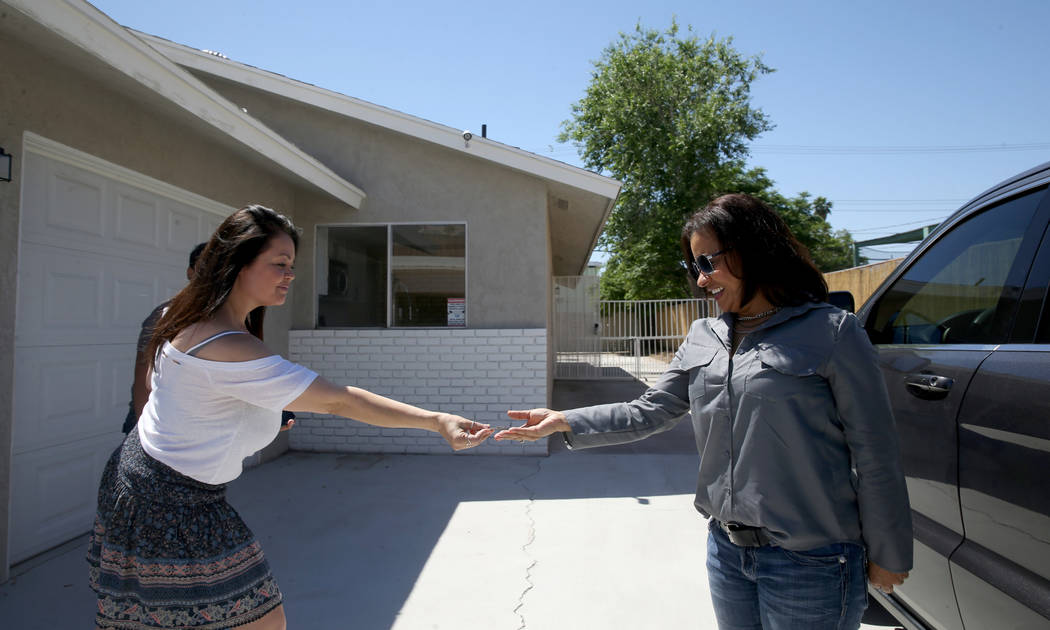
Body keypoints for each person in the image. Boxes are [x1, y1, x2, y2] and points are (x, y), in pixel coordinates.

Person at [496, 193, 912, 629]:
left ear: (751, 251)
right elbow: (650, 410)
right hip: (727, 553)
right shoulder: (702, 336)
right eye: (694, 267)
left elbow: (876, 452)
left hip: (813, 561)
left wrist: (889, 551)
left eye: (708, 263)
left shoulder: (831, 332)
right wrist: (566, 420)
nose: (700, 280)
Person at [88, 205, 494, 630]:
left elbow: (180, 397)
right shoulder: (229, 344)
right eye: (279, 264)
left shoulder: (188, 315)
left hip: (141, 480)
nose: (290, 274)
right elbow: (340, 401)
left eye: (292, 265)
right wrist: (436, 421)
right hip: (169, 504)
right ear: (236, 264)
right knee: (262, 622)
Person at [122, 242, 207, 434]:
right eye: (205, 268)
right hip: (155, 427)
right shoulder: (165, 315)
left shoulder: (223, 320)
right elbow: (143, 376)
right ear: (190, 272)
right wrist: (143, 433)